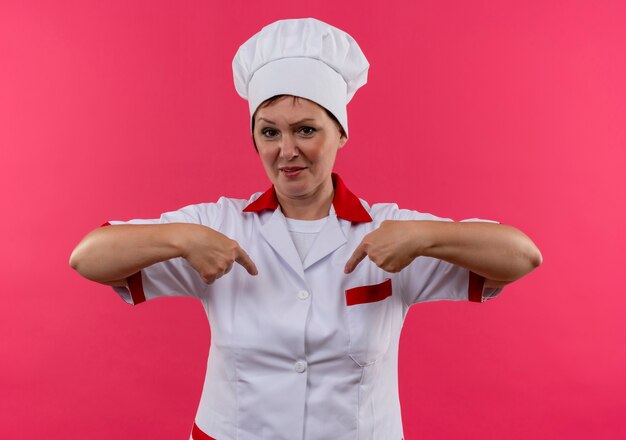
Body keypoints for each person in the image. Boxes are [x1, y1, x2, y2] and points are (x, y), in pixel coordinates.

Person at [69, 17, 542, 440]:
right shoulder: (216, 225)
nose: (286, 150)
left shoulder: (391, 231)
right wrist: (181, 238)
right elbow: (88, 257)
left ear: (341, 133)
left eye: (306, 130)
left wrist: (425, 236)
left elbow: (522, 256)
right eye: (269, 132)